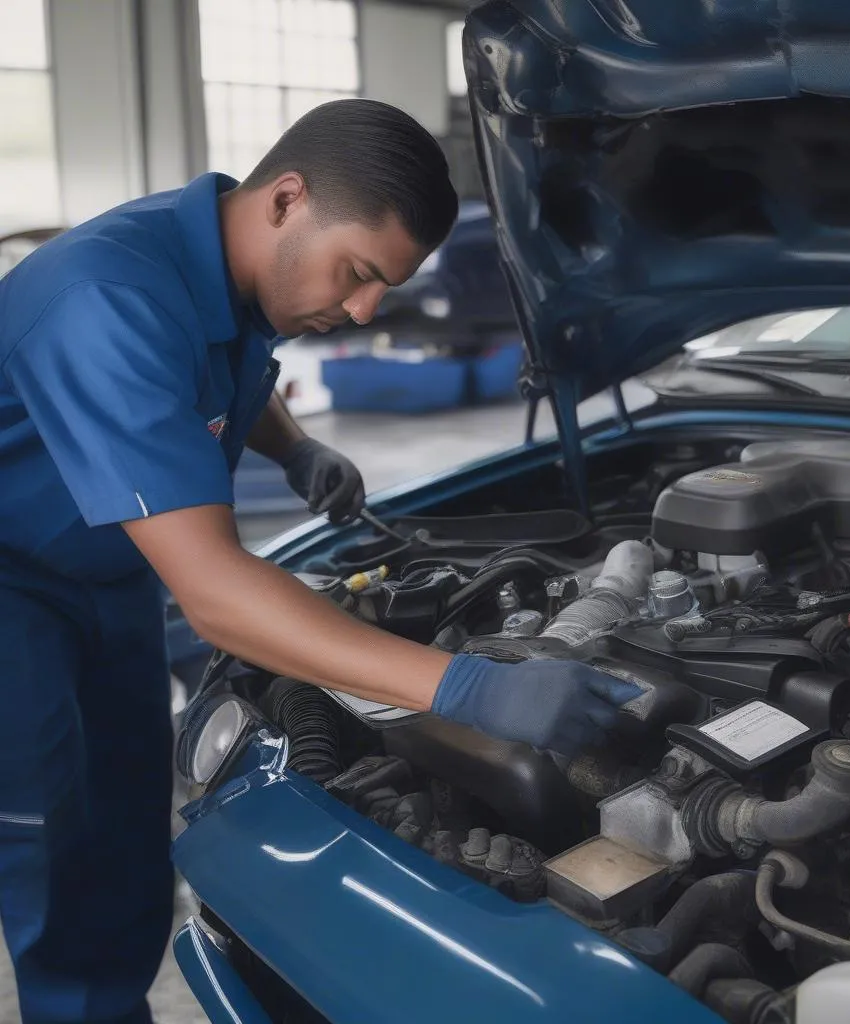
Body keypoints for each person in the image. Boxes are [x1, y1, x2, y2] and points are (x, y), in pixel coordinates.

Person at [0, 99, 639, 1023]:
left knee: (127, 824)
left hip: (106, 573)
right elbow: (218, 596)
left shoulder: (227, 270)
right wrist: (462, 686)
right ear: (287, 199)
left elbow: (223, 368)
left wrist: (292, 446)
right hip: (13, 585)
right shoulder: (107, 299)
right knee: (50, 845)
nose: (361, 312)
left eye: (384, 287)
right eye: (358, 274)